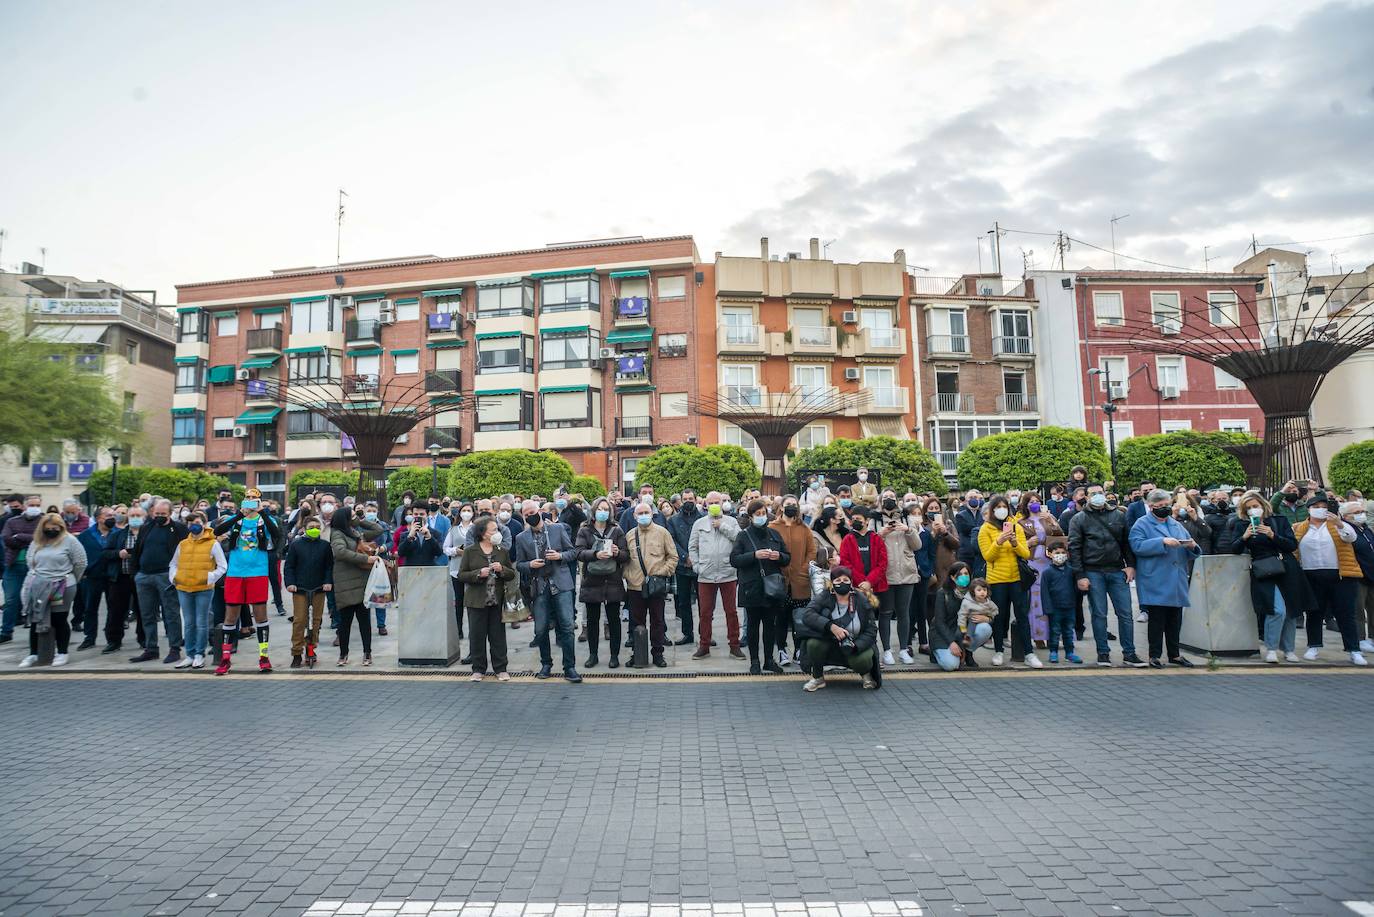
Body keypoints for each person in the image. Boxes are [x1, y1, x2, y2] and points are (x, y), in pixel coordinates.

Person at [1226, 491, 1307, 663]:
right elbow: (1234, 549)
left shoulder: (1278, 521)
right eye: (1248, 508)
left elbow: (1292, 544)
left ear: (1263, 505)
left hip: (1286, 567)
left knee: (1291, 611)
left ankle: (1289, 649)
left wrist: (1272, 535)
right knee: (1276, 610)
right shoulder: (1241, 525)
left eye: (1255, 506)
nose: (1252, 510)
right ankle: (1271, 648)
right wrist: (1244, 537)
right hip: (1263, 570)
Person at [1068, 485, 1144, 668]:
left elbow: (1126, 543)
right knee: (1099, 614)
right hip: (1093, 572)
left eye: (1100, 493)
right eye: (1093, 494)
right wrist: (1080, 575)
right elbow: (1074, 548)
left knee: (1125, 613)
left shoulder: (1119, 515)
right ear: (1086, 497)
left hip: (1117, 570)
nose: (1097, 496)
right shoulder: (1079, 519)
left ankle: (1130, 653)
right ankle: (1103, 653)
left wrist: (1131, 566)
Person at [211, 489, 281, 675]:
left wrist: (262, 512)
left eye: (254, 499)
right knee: (231, 615)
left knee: (260, 615)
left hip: (257, 572)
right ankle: (225, 659)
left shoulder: (263, 519)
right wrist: (237, 515)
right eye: (247, 498)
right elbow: (217, 531)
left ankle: (264, 657)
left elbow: (276, 534)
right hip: (235, 573)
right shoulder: (235, 519)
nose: (250, 501)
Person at [1129, 489, 1201, 668]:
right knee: (1157, 620)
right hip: (1156, 579)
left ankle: (1174, 654)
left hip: (1176, 579)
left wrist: (1192, 545)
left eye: (1167, 505)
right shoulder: (1142, 523)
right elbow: (1137, 546)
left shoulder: (1175, 524)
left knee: (1175, 619)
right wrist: (1161, 541)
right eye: (1160, 506)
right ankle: (1154, 655)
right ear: (1151, 507)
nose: (1164, 508)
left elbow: (1188, 544)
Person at [1293, 493, 1365, 665]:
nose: (1320, 510)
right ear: (1309, 510)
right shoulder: (1299, 528)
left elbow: (1351, 538)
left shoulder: (1337, 525)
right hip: (1311, 575)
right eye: (1316, 507)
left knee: (1345, 613)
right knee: (1314, 612)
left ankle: (1354, 650)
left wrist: (1340, 524)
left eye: (1323, 507)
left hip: (1340, 575)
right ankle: (1314, 646)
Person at [514, 499, 582, 682]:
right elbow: (519, 564)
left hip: (561, 583)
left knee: (567, 626)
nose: (530, 516)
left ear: (540, 511)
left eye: (532, 512)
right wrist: (530, 565)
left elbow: (573, 552)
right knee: (541, 629)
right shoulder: (521, 538)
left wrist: (559, 555)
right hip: (539, 585)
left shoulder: (558, 529)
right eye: (526, 514)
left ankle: (570, 667)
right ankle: (546, 664)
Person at [978, 495, 1041, 668]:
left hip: (1016, 579)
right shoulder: (985, 529)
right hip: (996, 580)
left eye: (1004, 506)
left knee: (1022, 615)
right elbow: (988, 556)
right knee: (999, 616)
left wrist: (1014, 543)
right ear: (992, 510)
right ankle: (998, 651)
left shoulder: (1016, 527)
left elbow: (1025, 554)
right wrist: (999, 541)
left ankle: (1029, 653)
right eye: (997, 507)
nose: (1001, 509)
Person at [729, 499, 791, 675]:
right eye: (758, 514)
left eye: (764, 514)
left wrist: (778, 556)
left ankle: (769, 660)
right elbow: (734, 560)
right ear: (750, 516)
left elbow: (787, 558)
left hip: (772, 587)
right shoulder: (743, 535)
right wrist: (754, 555)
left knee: (770, 625)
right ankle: (755, 661)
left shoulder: (774, 534)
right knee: (753, 626)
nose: (761, 517)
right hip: (752, 586)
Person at [16, 513, 86, 668]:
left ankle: (62, 653)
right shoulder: (37, 541)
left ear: (61, 527)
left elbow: (80, 563)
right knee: (36, 619)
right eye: (48, 528)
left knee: (59, 619)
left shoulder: (70, 541)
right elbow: (30, 561)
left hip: (63, 584)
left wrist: (71, 578)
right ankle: (33, 653)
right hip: (40, 584)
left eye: (55, 528)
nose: (51, 531)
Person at [797, 565, 878, 691]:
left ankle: (866, 674)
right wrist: (830, 626)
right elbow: (808, 614)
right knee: (813, 644)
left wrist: (856, 646)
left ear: (851, 583)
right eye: (838, 580)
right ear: (832, 583)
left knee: (862, 660)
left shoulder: (862, 600)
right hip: (830, 642)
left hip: (854, 645)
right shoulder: (825, 596)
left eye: (846, 580)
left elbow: (872, 630)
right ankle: (818, 678)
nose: (842, 583)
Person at [129, 498, 189, 664]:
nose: (159, 516)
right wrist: (136, 573)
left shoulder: (179, 529)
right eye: (157, 514)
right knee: (147, 614)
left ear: (170, 514)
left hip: (166, 576)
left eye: (163, 514)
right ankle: (151, 648)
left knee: (171, 613)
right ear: (151, 513)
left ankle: (174, 648)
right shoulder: (146, 527)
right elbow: (137, 550)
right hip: (144, 576)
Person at [457, 517, 516, 681]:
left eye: (497, 529)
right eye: (493, 530)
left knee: (498, 636)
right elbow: (461, 574)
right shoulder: (470, 550)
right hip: (476, 601)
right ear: (483, 533)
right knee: (476, 635)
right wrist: (477, 574)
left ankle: (501, 668)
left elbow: (511, 574)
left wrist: (502, 569)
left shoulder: (502, 550)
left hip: (497, 600)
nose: (497, 533)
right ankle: (478, 669)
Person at [622, 500, 678, 668]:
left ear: (652, 514)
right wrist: (628, 575)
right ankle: (637, 653)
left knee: (657, 621)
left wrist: (662, 572)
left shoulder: (662, 533)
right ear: (634, 516)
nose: (643, 516)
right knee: (635, 622)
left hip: (656, 585)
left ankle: (658, 653)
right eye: (640, 513)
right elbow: (624, 560)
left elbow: (673, 557)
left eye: (646, 513)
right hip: (635, 586)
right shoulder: (630, 535)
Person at [168, 511, 227, 670]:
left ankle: (199, 654)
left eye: (197, 522)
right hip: (184, 587)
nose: (194, 525)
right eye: (190, 522)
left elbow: (222, 566)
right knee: (188, 623)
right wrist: (174, 577)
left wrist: (209, 577)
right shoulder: (183, 544)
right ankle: (189, 654)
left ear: (204, 523)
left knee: (201, 622)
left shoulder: (213, 543)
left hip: (203, 588)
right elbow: (173, 563)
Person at [688, 492, 743, 660]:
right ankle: (704, 645)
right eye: (710, 502)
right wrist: (697, 566)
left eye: (716, 502)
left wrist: (722, 526)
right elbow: (693, 546)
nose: (713, 505)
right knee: (705, 612)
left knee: (731, 611)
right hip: (706, 574)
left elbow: (740, 541)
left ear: (722, 503)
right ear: (705, 504)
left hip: (728, 573)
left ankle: (734, 646)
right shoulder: (699, 523)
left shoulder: (732, 522)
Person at [575, 497, 628, 669]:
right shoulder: (585, 530)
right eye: (600, 508)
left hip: (612, 580)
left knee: (614, 619)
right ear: (594, 510)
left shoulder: (616, 530)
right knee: (592, 620)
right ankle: (593, 655)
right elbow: (579, 552)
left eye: (606, 509)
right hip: (592, 580)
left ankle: (614, 655)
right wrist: (595, 554)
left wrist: (616, 552)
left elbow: (626, 555)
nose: (603, 512)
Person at [328, 505, 382, 667]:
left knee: (364, 620)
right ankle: (343, 654)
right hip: (345, 583)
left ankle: (367, 653)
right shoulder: (337, 533)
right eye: (352, 516)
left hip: (361, 582)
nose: (355, 518)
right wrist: (365, 559)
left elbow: (378, 530)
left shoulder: (355, 532)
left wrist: (361, 520)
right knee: (345, 622)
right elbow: (340, 553)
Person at [770, 493, 820, 668]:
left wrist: (805, 569)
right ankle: (782, 650)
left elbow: (812, 552)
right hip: (779, 582)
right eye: (788, 503)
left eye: (795, 504)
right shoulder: (772, 527)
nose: (792, 506)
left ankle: (799, 650)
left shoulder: (804, 528)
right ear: (782, 507)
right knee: (781, 618)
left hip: (800, 581)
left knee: (800, 619)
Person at [837, 509, 890, 662]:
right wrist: (861, 582)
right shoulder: (847, 539)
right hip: (856, 588)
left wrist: (870, 581)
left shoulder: (876, 538)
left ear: (867, 520)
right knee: (862, 623)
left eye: (858, 518)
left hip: (877, 587)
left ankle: (881, 653)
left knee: (876, 621)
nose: (855, 522)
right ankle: (865, 656)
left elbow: (882, 563)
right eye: (853, 519)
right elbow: (846, 563)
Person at [282, 515, 334, 669]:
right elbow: (289, 566)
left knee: (316, 621)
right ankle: (296, 652)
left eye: (317, 528)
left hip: (318, 588)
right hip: (300, 588)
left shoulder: (324, 546)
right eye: (311, 528)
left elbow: (329, 567)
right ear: (304, 529)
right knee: (300, 620)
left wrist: (327, 582)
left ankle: (311, 648)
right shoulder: (296, 545)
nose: (314, 530)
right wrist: (290, 583)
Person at [876, 495, 922, 666]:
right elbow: (871, 544)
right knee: (885, 613)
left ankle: (904, 649)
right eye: (886, 497)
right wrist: (881, 533)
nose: (889, 500)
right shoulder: (874, 519)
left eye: (892, 497)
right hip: (885, 574)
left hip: (906, 573)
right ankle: (887, 650)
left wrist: (907, 530)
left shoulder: (906, 517)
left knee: (904, 613)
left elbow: (917, 545)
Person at [73, 507, 120, 650]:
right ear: (99, 518)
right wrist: (82, 573)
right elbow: (79, 556)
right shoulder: (85, 535)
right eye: (108, 515)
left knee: (113, 608)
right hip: (92, 576)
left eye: (113, 515)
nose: (112, 518)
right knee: (90, 608)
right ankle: (89, 637)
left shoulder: (119, 533)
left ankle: (112, 639)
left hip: (113, 575)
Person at [928, 562, 989, 670]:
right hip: (943, 634)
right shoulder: (943, 593)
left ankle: (968, 652)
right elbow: (939, 622)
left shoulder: (975, 593)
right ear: (952, 577)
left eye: (966, 573)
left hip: (963, 633)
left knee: (985, 628)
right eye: (959, 574)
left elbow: (990, 611)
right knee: (951, 665)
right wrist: (951, 642)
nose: (964, 577)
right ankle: (936, 653)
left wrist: (987, 618)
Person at [1016, 492, 1059, 648]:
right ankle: (1038, 636)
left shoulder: (1048, 518)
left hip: (1049, 562)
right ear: (1025, 504)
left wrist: (1051, 520)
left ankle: (1053, 634)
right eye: (1031, 501)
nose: (1034, 503)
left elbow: (1060, 535)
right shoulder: (1021, 522)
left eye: (1037, 501)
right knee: (1035, 600)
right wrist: (1028, 542)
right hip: (1032, 563)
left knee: (1051, 597)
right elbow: (1017, 544)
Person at [1, 495, 43, 645]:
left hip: (38, 566)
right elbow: (6, 539)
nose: (34, 507)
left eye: (37, 504)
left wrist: (19, 536)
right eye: (31, 504)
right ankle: (6, 631)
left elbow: (43, 539)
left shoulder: (44, 521)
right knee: (11, 599)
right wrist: (30, 539)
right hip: (15, 565)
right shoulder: (12, 521)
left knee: (38, 600)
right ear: (25, 506)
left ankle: (38, 631)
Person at [666, 491, 700, 646]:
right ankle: (688, 634)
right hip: (682, 567)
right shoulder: (673, 520)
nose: (688, 501)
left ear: (695, 499)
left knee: (705, 603)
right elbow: (671, 540)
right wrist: (684, 556)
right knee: (684, 602)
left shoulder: (703, 518)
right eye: (685, 499)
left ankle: (705, 633)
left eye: (690, 499)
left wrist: (696, 557)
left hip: (701, 566)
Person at [1040, 539, 1081, 664]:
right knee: (1055, 631)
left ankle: (1070, 653)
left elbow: (1076, 588)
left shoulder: (1071, 571)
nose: (1060, 555)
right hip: (1055, 608)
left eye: (1063, 552)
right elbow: (1044, 592)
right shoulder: (1047, 573)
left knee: (1068, 631)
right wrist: (1047, 609)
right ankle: (1053, 652)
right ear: (1050, 554)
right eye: (1057, 552)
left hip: (1070, 606)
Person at [1341, 500, 1374, 653]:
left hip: (1371, 573)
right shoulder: (1346, 529)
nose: (1362, 515)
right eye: (1357, 512)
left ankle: (1372, 637)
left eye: (1363, 512)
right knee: (1358, 609)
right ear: (1346, 516)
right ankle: (1360, 639)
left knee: (1372, 608)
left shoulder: (1367, 530)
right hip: (1357, 574)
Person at [954, 489, 987, 579]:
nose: (973, 499)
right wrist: (979, 529)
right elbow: (965, 529)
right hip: (966, 553)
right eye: (971, 497)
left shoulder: (983, 515)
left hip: (981, 552)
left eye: (975, 497)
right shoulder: (960, 515)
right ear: (966, 500)